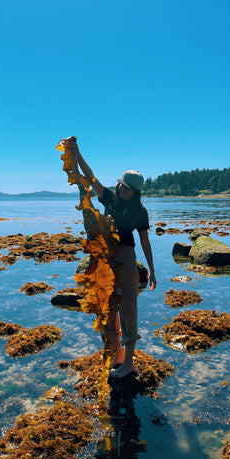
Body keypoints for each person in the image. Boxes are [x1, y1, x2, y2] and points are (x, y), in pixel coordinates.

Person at [71, 138, 157, 380]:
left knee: (128, 309)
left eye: (127, 188)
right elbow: (89, 178)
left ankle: (128, 363)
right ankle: (116, 357)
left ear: (135, 192)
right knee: (107, 310)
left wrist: (151, 271)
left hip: (128, 260)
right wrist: (76, 153)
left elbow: (145, 242)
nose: (122, 189)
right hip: (106, 259)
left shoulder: (140, 212)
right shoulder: (109, 198)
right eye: (121, 185)